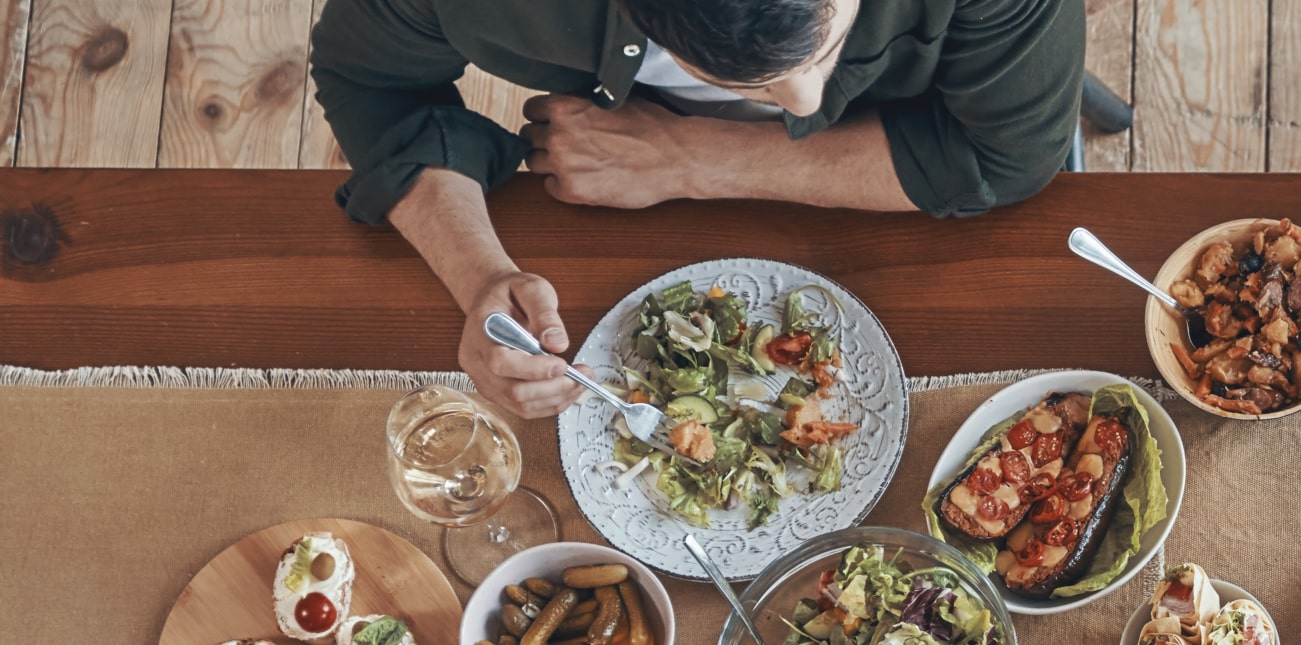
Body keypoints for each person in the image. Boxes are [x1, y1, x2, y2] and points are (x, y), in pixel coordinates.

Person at [307, 0, 1083, 418]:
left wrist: (689, 156)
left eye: (826, 41)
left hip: (915, 182)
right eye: (746, 79)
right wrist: (478, 276)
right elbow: (368, 79)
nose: (804, 101)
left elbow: (1006, 156)